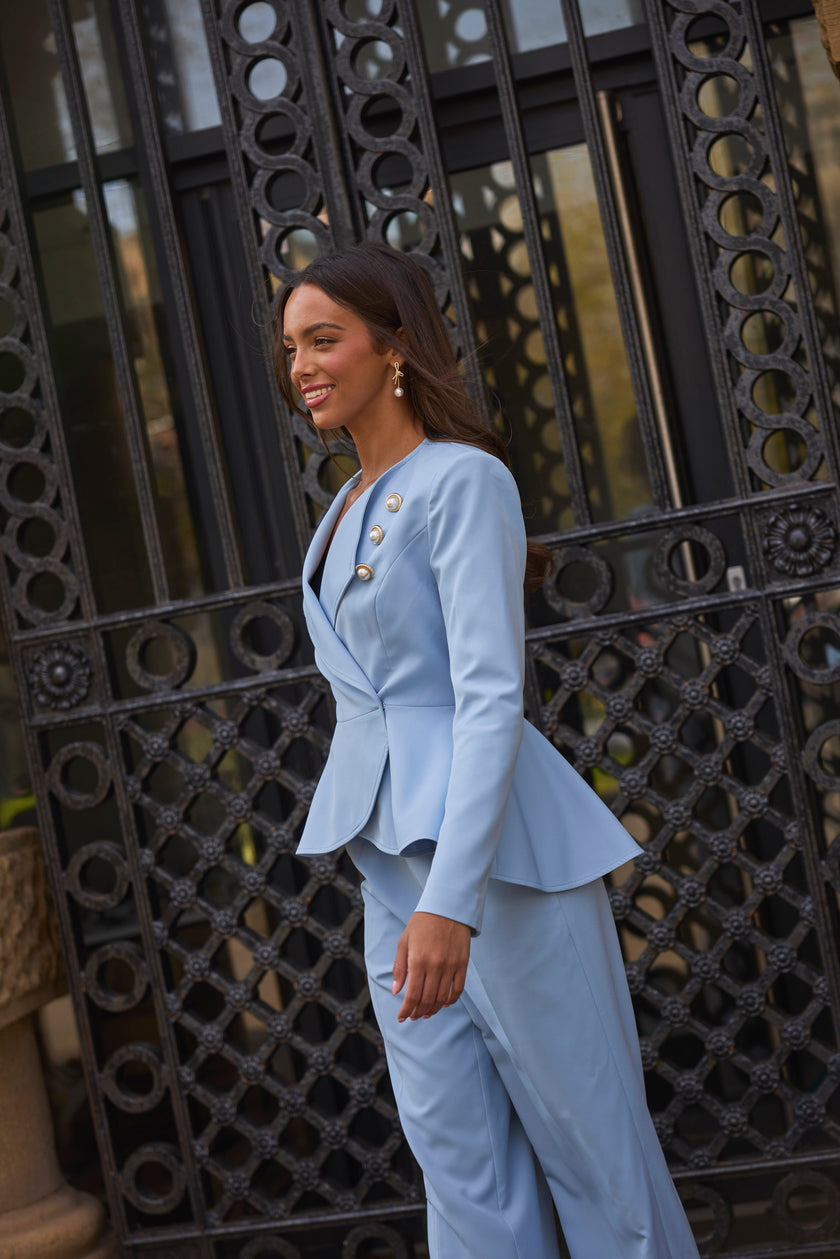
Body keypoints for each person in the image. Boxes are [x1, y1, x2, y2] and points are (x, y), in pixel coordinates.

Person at [276, 241, 700, 1259]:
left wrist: (449, 900)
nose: (301, 364)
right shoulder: (338, 511)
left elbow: (489, 696)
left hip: (495, 862)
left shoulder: (464, 481)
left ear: (396, 348)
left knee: (592, 1151)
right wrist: (415, 893)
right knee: (458, 1158)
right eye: (291, 345)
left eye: (324, 338)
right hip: (387, 857)